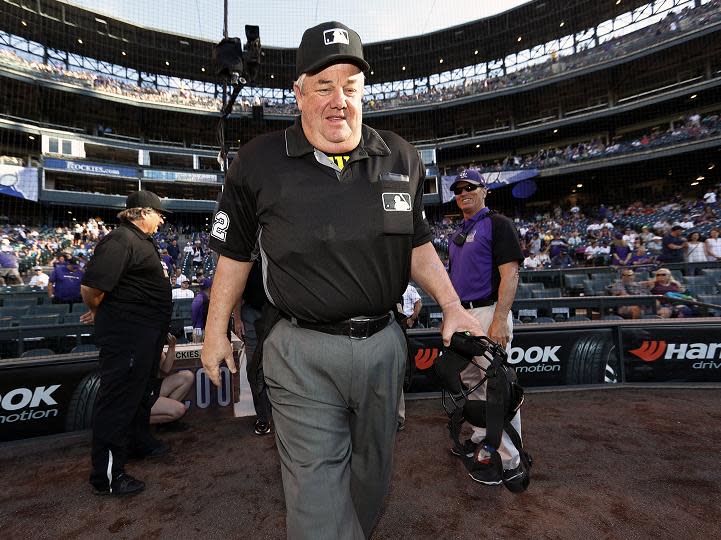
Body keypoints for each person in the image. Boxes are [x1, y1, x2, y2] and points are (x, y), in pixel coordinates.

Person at [201, 21, 483, 540]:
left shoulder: (400, 155)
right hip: (299, 351)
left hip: (383, 346)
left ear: (363, 93)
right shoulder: (257, 161)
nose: (339, 100)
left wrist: (452, 303)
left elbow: (417, 244)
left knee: (371, 478)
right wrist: (215, 329)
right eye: (324, 85)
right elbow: (235, 254)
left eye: (350, 87)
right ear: (299, 94)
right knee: (316, 494)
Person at [80, 190, 172, 497]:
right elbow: (91, 287)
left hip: (144, 335)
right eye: (159, 214)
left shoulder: (140, 242)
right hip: (127, 336)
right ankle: (107, 476)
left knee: (140, 395)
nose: (161, 220)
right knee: (118, 402)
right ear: (143, 212)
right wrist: (98, 310)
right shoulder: (120, 240)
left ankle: (137, 443)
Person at [446, 168, 525, 486]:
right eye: (457, 188)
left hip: (488, 311)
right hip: (463, 316)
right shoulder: (457, 233)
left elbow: (510, 274)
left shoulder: (498, 223)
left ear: (484, 191)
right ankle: (484, 441)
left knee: (498, 386)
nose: (463, 191)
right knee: (471, 382)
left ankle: (510, 460)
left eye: (470, 187)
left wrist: (500, 320)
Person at [149, 332, 194, 429]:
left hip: (152, 387)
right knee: (180, 409)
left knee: (187, 377)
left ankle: (166, 421)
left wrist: (172, 346)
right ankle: (135, 421)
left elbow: (165, 369)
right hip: (138, 394)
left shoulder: (153, 340)